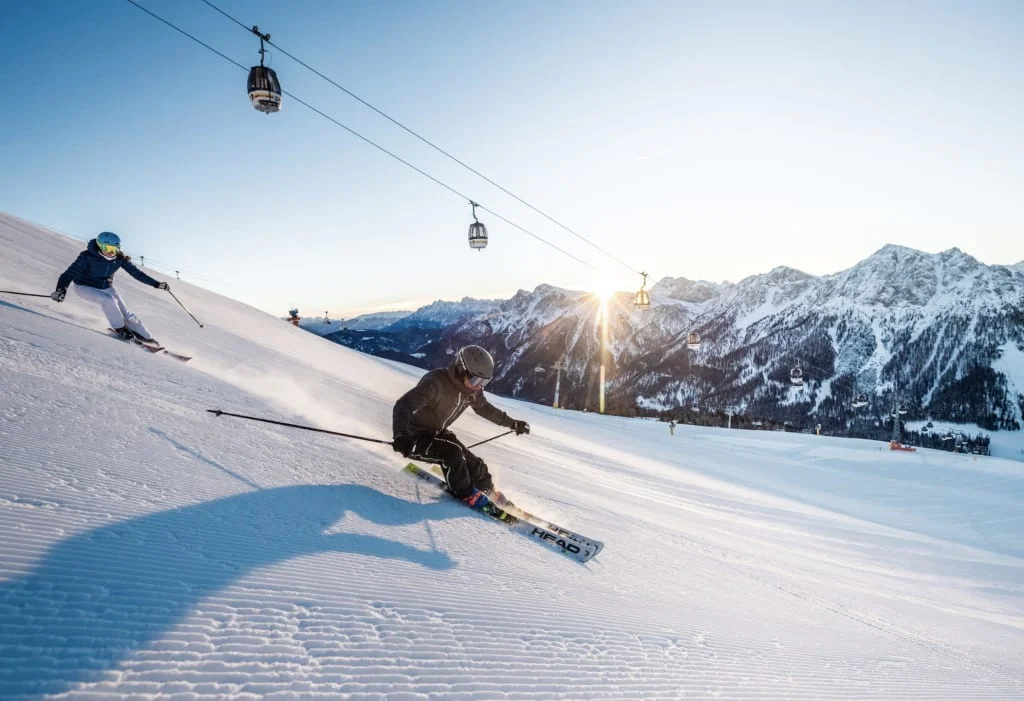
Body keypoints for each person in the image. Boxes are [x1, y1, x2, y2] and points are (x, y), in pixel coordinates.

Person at [392, 345, 530, 503]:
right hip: (413, 437)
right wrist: (401, 435)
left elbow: (485, 409)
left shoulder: (472, 390)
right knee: (452, 454)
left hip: (437, 433)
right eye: (476, 380)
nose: (479, 386)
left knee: (475, 464)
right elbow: (404, 405)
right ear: (461, 370)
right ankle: (467, 495)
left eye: (484, 381)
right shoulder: (435, 383)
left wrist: (513, 423)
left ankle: (490, 493)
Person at [50, 232, 169, 344]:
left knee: (127, 315)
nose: (111, 252)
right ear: (100, 246)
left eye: (114, 248)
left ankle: (148, 338)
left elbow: (137, 274)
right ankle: (121, 329)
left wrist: (156, 284)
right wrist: (61, 289)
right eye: (107, 248)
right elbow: (69, 274)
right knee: (108, 300)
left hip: (106, 287)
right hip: (84, 287)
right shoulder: (87, 256)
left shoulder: (119, 259)